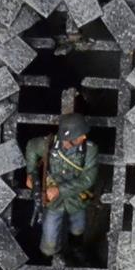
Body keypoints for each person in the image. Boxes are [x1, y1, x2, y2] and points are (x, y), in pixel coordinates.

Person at [21, 112, 99, 261]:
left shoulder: (89, 149)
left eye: (82, 135)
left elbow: (88, 179)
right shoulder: (49, 144)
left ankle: (76, 249)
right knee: (49, 237)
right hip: (53, 202)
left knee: (78, 227)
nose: (84, 137)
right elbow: (31, 146)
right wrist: (31, 172)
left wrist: (59, 190)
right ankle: (47, 257)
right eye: (79, 136)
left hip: (76, 197)